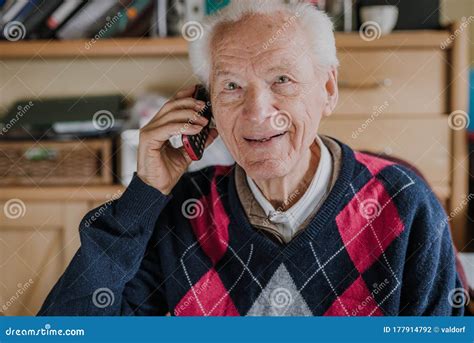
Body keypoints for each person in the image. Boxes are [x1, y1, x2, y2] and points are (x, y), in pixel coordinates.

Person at [38, 0, 464, 316]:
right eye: (232, 87)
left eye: (282, 79)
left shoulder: (404, 203)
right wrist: (145, 194)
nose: (257, 112)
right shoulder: (184, 212)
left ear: (328, 89)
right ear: (206, 107)